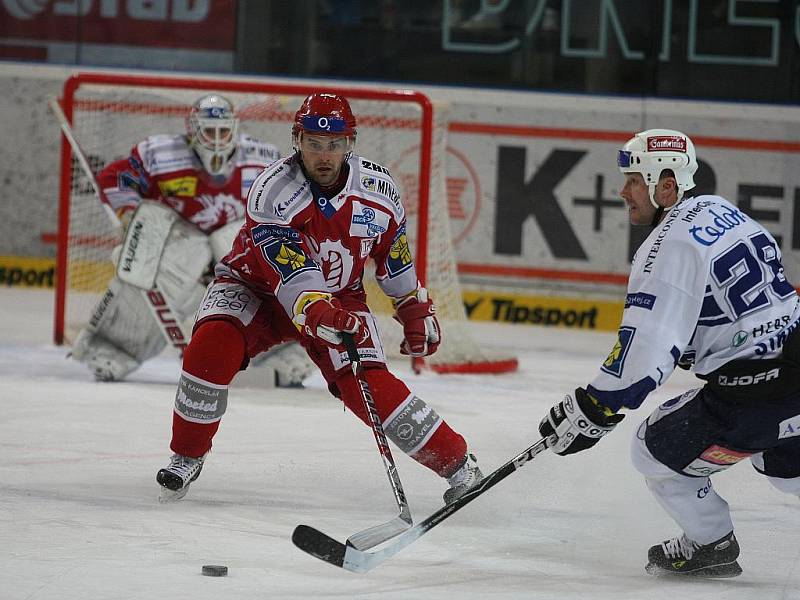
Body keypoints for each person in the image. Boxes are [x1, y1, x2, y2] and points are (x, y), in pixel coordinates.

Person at [155, 92, 485, 504]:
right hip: (254, 288)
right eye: (314, 143)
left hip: (340, 298)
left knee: (367, 386)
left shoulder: (380, 192)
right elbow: (290, 271)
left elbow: (393, 256)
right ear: (297, 140)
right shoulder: (272, 190)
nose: (324, 155)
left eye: (333, 144)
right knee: (210, 347)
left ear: (350, 143)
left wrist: (413, 307)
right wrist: (316, 308)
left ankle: (459, 465)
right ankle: (186, 455)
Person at [538, 129, 800, 578]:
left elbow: (644, 351)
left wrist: (594, 406)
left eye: (633, 181)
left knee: (651, 447)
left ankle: (710, 541)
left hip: (750, 396)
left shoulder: (664, 247)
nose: (623, 192)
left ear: (666, 184)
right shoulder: (725, 211)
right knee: (784, 469)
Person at [71, 93, 314, 387]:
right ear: (192, 130)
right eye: (208, 131)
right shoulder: (160, 153)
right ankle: (115, 348)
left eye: (222, 131)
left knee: (259, 252)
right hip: (178, 249)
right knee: (163, 246)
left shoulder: (263, 158)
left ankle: (279, 352)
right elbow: (116, 177)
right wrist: (128, 215)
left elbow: (295, 201)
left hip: (236, 254)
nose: (216, 139)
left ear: (235, 129)